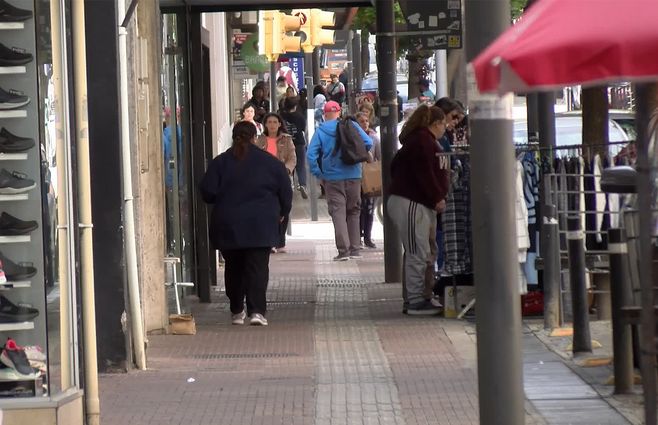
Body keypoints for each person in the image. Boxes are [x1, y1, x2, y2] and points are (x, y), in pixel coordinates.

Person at [200, 121, 293, 326]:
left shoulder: (220, 162)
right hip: (261, 224)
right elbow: (286, 194)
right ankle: (257, 311)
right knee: (258, 268)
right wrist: (281, 213)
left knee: (234, 267)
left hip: (228, 224)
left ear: (234, 137)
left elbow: (207, 191)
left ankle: (236, 309)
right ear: (254, 138)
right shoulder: (270, 163)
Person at [388, 104, 450, 315]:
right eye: (444, 123)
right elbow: (426, 173)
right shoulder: (423, 142)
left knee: (422, 249)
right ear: (436, 123)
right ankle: (415, 300)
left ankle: (421, 296)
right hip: (413, 202)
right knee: (418, 251)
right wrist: (436, 196)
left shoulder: (419, 141)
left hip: (415, 202)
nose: (446, 127)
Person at [307, 101, 373, 261]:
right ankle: (355, 250)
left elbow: (311, 155)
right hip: (354, 175)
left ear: (325, 114)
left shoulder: (321, 131)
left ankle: (343, 251)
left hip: (332, 177)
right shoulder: (351, 125)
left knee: (338, 212)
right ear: (339, 113)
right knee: (354, 211)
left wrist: (319, 174)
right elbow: (368, 142)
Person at [255, 113, 296, 253]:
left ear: (279, 124)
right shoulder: (259, 140)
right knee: (268, 209)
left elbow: (292, 158)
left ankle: (280, 241)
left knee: (284, 207)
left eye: (275, 122)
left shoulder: (287, 139)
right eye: (269, 122)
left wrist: (286, 170)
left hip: (282, 178)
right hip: (265, 180)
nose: (272, 125)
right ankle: (270, 241)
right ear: (265, 124)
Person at [355, 112, 381, 249]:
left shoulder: (374, 138)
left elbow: (379, 157)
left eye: (366, 121)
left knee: (369, 208)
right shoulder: (353, 138)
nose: (365, 123)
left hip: (369, 177)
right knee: (358, 207)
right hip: (356, 177)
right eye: (361, 121)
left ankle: (368, 237)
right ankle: (357, 236)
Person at [279, 96, 309, 199]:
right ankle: (302, 184)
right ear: (295, 106)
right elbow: (304, 129)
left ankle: (288, 186)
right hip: (299, 142)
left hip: (285, 143)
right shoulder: (299, 116)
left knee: (287, 165)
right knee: (300, 165)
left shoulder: (281, 116)